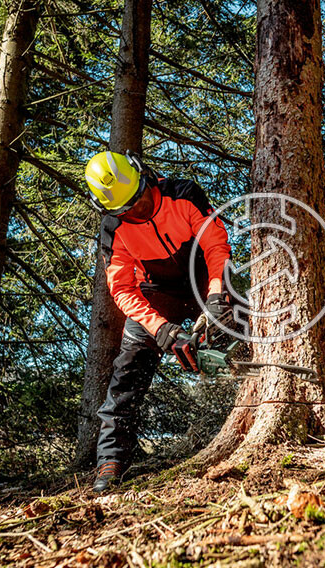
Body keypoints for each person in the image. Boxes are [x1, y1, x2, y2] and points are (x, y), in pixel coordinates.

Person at [84, 151, 232, 492]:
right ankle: (111, 460)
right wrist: (162, 330)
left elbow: (215, 246)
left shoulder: (183, 194)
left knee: (236, 322)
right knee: (129, 368)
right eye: (126, 209)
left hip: (201, 274)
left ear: (145, 176)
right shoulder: (114, 228)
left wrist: (215, 297)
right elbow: (121, 288)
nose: (137, 211)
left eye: (139, 200)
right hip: (154, 288)